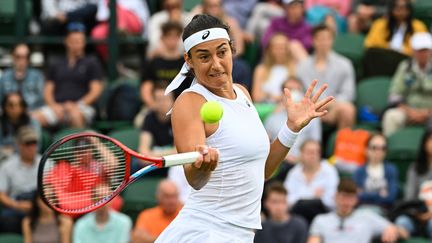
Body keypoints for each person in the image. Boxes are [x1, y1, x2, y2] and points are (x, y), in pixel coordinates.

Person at [155, 14, 333, 242]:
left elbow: (263, 171)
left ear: (232, 50)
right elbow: (195, 180)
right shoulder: (189, 102)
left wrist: (291, 128)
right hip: (205, 233)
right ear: (189, 60)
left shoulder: (243, 93)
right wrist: (204, 167)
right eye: (204, 56)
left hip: (237, 235)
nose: (216, 64)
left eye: (222, 52)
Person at [33, 22, 103, 129]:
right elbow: (47, 90)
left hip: (82, 107)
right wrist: (54, 106)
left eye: (80, 41)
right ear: (66, 42)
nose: (77, 45)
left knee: (75, 115)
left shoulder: (92, 62)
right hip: (57, 107)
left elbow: (95, 91)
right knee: (33, 118)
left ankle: (79, 145)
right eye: (73, 41)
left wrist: (77, 105)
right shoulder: (56, 63)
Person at [308, 178, 404, 243]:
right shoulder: (321, 220)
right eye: (343, 197)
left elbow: (402, 231)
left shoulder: (367, 217)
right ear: (335, 197)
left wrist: (393, 229)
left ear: (356, 200)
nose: (346, 202)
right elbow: (313, 239)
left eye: (350, 198)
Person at [297, 24, 356, 129]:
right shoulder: (302, 66)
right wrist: (317, 107)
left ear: (332, 41)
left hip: (335, 107)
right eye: (320, 39)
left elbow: (348, 94)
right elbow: (300, 92)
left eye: (327, 39)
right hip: (309, 107)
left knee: (348, 109)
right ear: (313, 41)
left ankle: (342, 144)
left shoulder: (345, 64)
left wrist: (331, 106)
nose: (323, 43)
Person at [382, 32, 432, 136]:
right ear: (413, 51)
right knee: (391, 116)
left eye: (425, 50)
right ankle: (390, 149)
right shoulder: (405, 67)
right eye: (419, 50)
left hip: (430, 111)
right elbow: (394, 95)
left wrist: (427, 112)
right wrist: (410, 112)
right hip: (408, 110)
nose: (422, 54)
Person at [264, 77, 322, 163]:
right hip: (278, 164)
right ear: (282, 94)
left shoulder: (312, 118)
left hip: (303, 164)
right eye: (290, 89)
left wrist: (300, 158)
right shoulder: (272, 119)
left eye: (297, 89)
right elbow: (265, 145)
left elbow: (315, 144)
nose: (294, 93)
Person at [0, 126, 41, 233]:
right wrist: (18, 205)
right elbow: (1, 194)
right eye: (27, 144)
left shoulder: (46, 162)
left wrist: (38, 205)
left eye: (34, 143)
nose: (31, 147)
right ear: (19, 145)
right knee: (5, 219)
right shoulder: (7, 166)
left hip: (41, 206)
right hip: (16, 205)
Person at [284, 140, 339, 217]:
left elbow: (331, 201)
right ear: (301, 154)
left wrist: (303, 197)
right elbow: (288, 200)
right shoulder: (294, 173)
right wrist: (313, 196)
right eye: (309, 152)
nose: (313, 155)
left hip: (323, 214)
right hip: (298, 213)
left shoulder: (329, 170)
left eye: (317, 152)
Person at [395, 130, 432, 238]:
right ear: (424, 143)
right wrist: (418, 213)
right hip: (417, 213)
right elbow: (409, 197)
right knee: (401, 222)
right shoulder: (414, 169)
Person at [140, 21, 185, 110]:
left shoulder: (186, 63)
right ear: (162, 38)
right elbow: (146, 88)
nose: (172, 40)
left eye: (175, 36)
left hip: (182, 107)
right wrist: (154, 107)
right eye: (169, 36)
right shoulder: (153, 62)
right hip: (157, 107)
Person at [135, 82, 176, 176]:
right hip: (154, 165)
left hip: (173, 165)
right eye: (159, 100)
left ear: (173, 100)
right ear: (154, 102)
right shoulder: (149, 118)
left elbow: (179, 152)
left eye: (166, 99)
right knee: (134, 165)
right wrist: (169, 154)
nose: (163, 103)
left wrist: (153, 154)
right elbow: (143, 155)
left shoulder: (178, 118)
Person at [353, 133, 399, 213]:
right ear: (366, 149)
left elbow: (391, 197)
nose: (379, 151)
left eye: (383, 148)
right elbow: (356, 197)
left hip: (384, 212)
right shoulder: (359, 171)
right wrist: (380, 194)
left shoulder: (391, 170)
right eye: (374, 148)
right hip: (362, 211)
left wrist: (365, 194)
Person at [252, 33, 304, 103]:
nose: (280, 51)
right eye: (276, 47)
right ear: (269, 50)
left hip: (288, 106)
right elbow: (256, 96)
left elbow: (299, 92)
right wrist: (276, 97)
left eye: (283, 47)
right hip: (266, 107)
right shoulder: (260, 69)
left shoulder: (295, 68)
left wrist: (268, 95)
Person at [0, 44, 44, 112]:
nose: (21, 60)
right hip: (8, 114)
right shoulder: (5, 76)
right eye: (18, 57)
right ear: (13, 57)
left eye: (25, 57)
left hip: (32, 112)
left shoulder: (37, 76)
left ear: (29, 59)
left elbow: (41, 99)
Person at [0, 92, 41, 161]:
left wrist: (13, 149)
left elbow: (36, 146)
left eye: (19, 105)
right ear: (4, 107)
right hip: (3, 158)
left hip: (27, 158)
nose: (15, 108)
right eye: (10, 105)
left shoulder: (32, 123)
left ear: (23, 107)